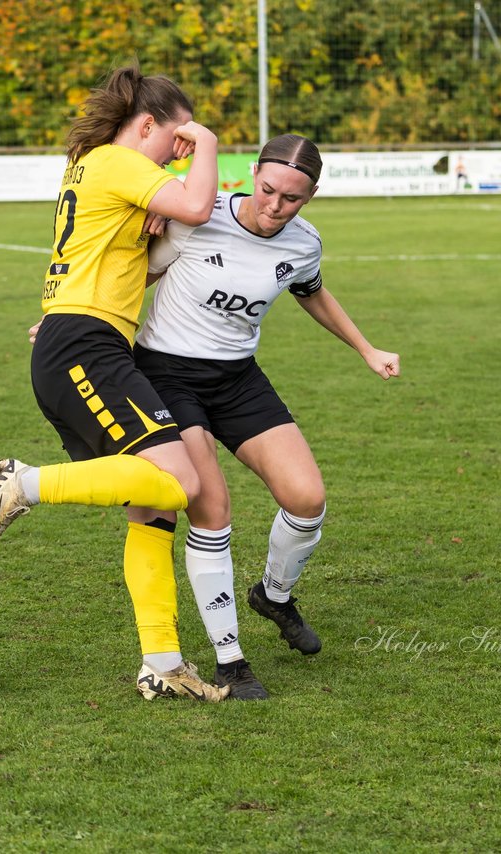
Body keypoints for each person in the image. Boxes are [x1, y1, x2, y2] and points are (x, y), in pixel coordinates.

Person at [0, 64, 229, 702]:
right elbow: (197, 204)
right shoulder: (118, 163)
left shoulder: (96, 167)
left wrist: (153, 234)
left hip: (82, 340)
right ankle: (24, 485)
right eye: (176, 143)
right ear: (146, 126)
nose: (181, 154)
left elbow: (119, 260)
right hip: (86, 348)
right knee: (181, 482)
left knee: (155, 506)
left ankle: (162, 663)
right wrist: (212, 144)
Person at [132, 134, 400, 699]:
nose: (275, 206)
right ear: (252, 173)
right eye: (268, 190)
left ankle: (272, 596)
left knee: (307, 499)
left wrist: (367, 348)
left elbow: (312, 292)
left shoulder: (303, 244)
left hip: (237, 378)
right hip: (167, 373)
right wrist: (69, 324)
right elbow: (135, 277)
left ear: (312, 197)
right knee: (210, 503)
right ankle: (230, 662)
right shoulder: (195, 219)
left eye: (292, 199)